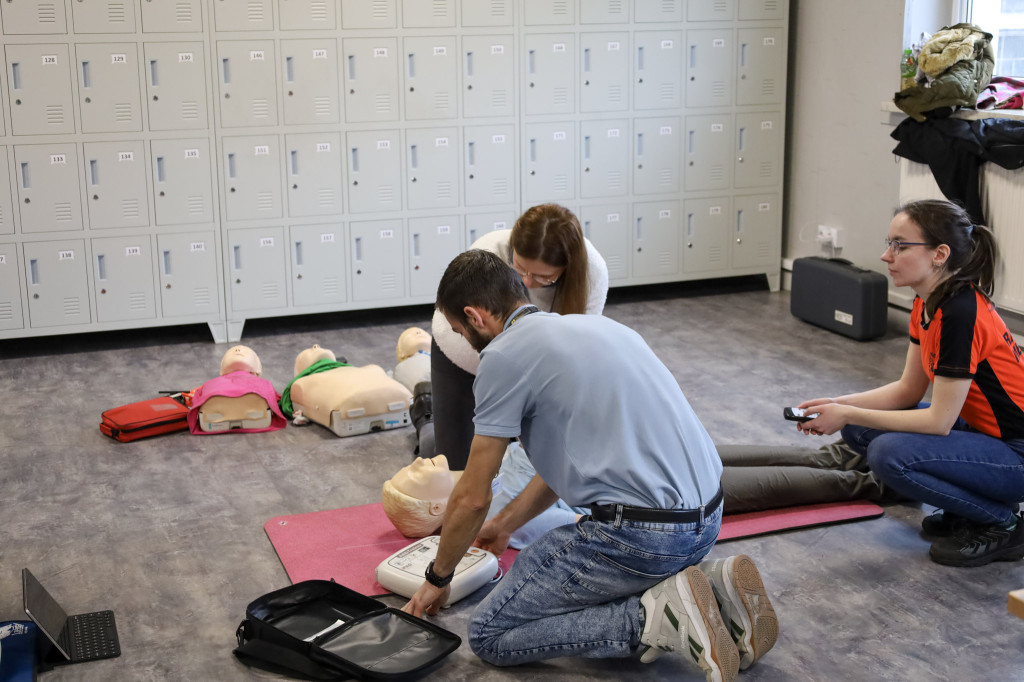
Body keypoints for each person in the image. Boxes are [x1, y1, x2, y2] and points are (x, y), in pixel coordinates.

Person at [402, 250, 778, 681]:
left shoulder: (503, 357)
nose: (465, 341)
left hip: (642, 539)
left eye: (459, 331)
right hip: (709, 521)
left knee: (491, 633)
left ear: (475, 316)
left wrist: (438, 575)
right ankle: (713, 589)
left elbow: (471, 497)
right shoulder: (600, 327)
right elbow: (568, 466)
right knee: (568, 587)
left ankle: (655, 619)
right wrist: (505, 525)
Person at [795, 199, 1024, 567]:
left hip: (1016, 453)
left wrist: (847, 410)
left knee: (889, 455)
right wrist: (839, 405)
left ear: (939, 254)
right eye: (890, 243)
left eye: (900, 245)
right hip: (986, 433)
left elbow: (937, 421)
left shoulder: (961, 314)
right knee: (857, 425)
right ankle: (969, 507)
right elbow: (908, 390)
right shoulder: (927, 302)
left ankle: (1005, 523)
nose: (887, 255)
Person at [430, 203, 609, 469]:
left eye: (542, 277)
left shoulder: (592, 272)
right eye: (520, 268)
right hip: (464, 354)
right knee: (455, 463)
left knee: (537, 459)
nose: (526, 282)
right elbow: (487, 338)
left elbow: (576, 349)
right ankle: (425, 415)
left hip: (530, 365)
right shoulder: (491, 251)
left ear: (567, 267)